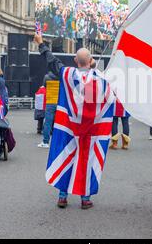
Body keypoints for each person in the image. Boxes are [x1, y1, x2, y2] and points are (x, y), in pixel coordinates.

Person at [37, 34, 109, 210]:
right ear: (91, 61)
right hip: (90, 131)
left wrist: (41, 44)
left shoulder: (68, 75)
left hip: (69, 128)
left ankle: (62, 197)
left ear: (75, 60)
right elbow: (109, 100)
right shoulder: (101, 81)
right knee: (87, 161)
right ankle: (85, 199)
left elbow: (52, 62)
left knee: (66, 158)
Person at [38, 70, 60, 149]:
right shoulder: (61, 77)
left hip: (50, 101)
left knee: (48, 122)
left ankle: (45, 142)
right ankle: (58, 142)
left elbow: (44, 86)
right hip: (59, 102)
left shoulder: (47, 77)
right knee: (60, 123)